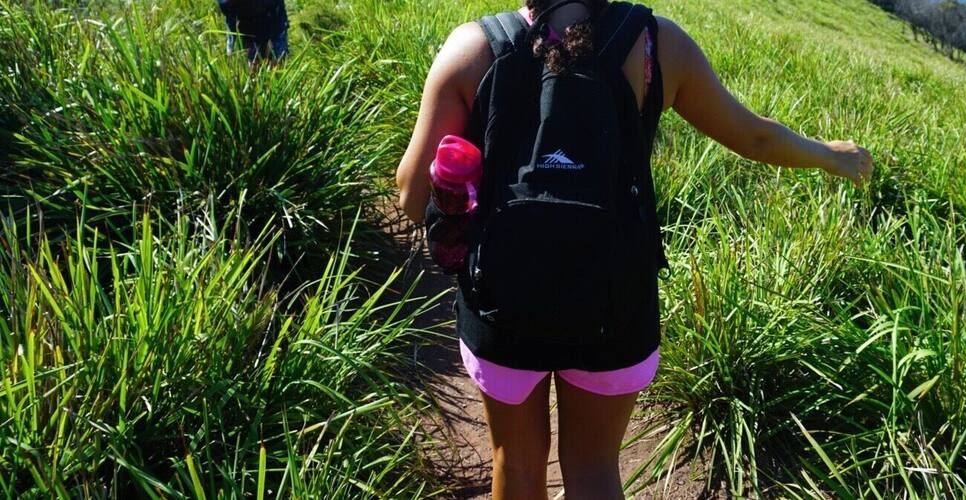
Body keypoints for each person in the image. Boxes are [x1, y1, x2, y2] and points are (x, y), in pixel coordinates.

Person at [395, 1, 874, 498]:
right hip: (615, 303)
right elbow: (754, 137)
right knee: (594, 467)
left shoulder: (472, 49)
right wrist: (827, 154)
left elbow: (411, 199)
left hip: (500, 302)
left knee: (515, 463)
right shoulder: (657, 46)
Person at [218, 0, 289, 63]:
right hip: (245, 34)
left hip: (274, 26)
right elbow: (225, 5)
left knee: (277, 66)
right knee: (248, 72)